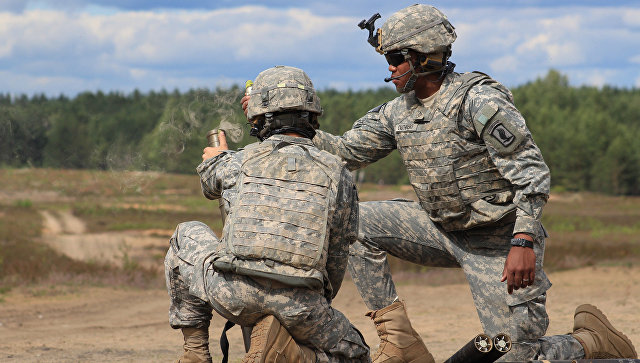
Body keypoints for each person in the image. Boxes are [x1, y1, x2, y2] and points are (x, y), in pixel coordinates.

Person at [240, 4, 637, 363]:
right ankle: (398, 341)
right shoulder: (398, 112)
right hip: (438, 228)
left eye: (397, 59)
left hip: (499, 241)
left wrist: (524, 241)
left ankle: (589, 340)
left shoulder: (478, 102)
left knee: (516, 356)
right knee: (354, 223)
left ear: (425, 57)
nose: (391, 69)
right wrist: (278, 118)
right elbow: (344, 152)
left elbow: (532, 174)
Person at [166, 65, 370, 363]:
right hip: (302, 305)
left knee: (185, 234)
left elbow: (210, 186)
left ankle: (195, 353)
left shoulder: (239, 160)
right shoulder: (338, 172)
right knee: (357, 354)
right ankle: (297, 356)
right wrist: (312, 304)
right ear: (313, 116)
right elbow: (337, 257)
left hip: (233, 294)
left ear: (260, 117)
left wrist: (218, 157)